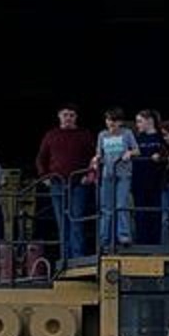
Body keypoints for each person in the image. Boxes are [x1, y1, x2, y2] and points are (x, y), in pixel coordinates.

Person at [36, 104, 96, 259]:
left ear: (76, 117)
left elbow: (95, 157)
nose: (68, 118)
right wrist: (45, 177)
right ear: (59, 116)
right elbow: (41, 159)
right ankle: (65, 258)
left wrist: (90, 174)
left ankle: (77, 258)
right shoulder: (51, 135)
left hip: (79, 183)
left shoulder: (84, 134)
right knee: (62, 222)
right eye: (65, 114)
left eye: (71, 115)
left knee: (77, 220)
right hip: (57, 183)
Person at [94, 106, 140, 252]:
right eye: (108, 120)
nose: (111, 124)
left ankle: (124, 236)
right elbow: (99, 153)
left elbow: (137, 150)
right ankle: (104, 240)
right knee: (106, 208)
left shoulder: (127, 133)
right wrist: (96, 159)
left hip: (124, 174)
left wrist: (129, 153)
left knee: (121, 205)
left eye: (114, 121)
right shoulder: (102, 135)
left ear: (120, 122)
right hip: (108, 174)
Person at [133, 110, 166, 246]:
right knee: (140, 213)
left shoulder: (161, 137)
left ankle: (155, 244)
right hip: (138, 181)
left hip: (156, 182)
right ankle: (141, 243)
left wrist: (161, 156)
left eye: (140, 121)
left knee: (155, 214)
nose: (137, 125)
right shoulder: (136, 138)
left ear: (149, 121)